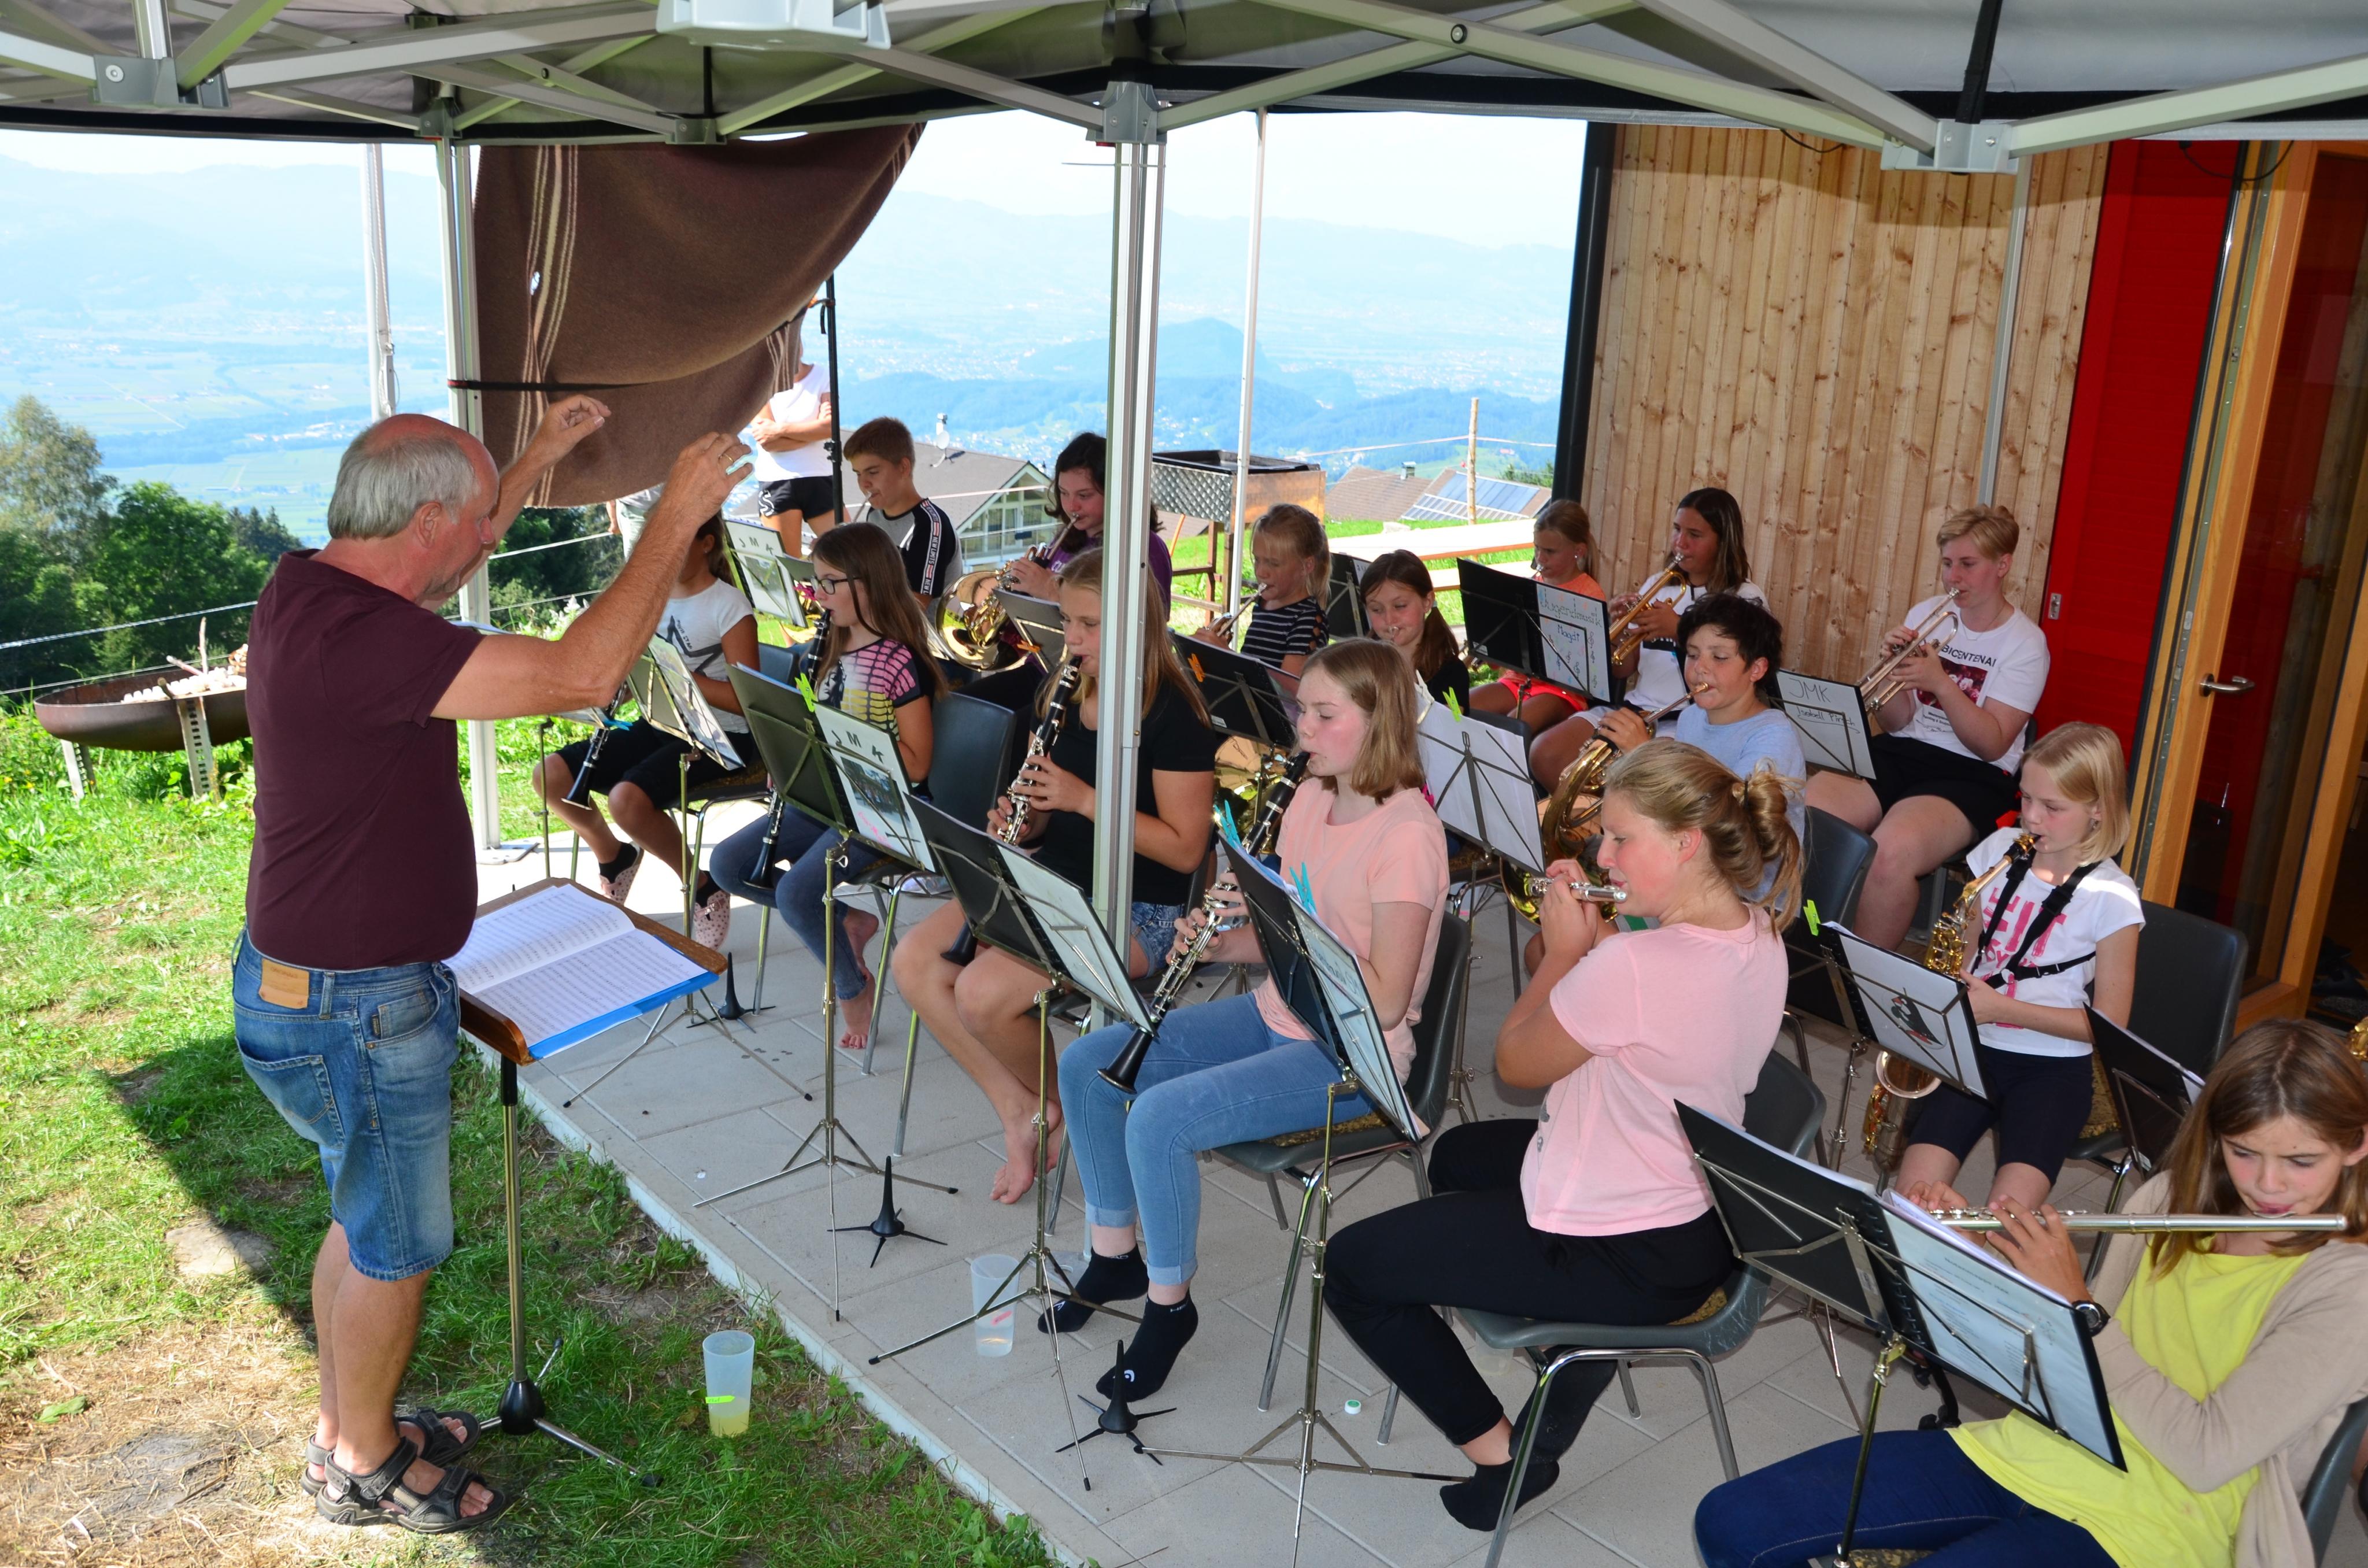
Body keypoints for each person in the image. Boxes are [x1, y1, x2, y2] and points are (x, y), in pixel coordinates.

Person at [233, 401, 744, 1533]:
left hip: (308, 980)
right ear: (423, 520)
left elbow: (453, 538)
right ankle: (364, 1465)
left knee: (361, 1216)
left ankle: (346, 1424)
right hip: (356, 1002)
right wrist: (673, 518)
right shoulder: (370, 643)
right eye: (476, 522)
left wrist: (534, 462)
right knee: (394, 1245)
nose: (488, 542)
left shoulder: (313, 589)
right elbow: (582, 674)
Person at [1322, 739, 1800, 1532]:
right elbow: (1623, 990)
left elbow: (1515, 1061)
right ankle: (1571, 1358)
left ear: (1686, 844)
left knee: (1352, 1268)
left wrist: (1567, 953)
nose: (1601, 854)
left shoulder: (1637, 967)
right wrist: (1583, 942)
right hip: (1697, 1213)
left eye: (1620, 838)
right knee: (1460, 1156)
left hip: (1629, 1246)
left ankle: (1506, 1457)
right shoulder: (1756, 930)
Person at [1697, 1018, 2368, 1568]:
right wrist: (1962, 1256)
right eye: (2244, 1152)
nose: (2268, 1186)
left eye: (2300, 1161)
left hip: (2161, 1527)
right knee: (1732, 1521)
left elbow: (2205, 1454)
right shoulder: (2170, 1198)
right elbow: (2059, 1361)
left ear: (2357, 1146)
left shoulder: (2347, 1287)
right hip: (2043, 1451)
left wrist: (2083, 1312)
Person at [1055, 639, 1451, 1401]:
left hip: (1354, 1055)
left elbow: (1385, 998)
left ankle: (1169, 1308)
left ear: (1380, 722)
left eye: (1325, 714)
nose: (1303, 728)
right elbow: (1279, 947)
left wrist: (1286, 931)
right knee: (1088, 1065)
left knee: (1160, 1119)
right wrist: (1214, 942)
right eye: (1302, 710)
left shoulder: (1407, 837)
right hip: (1284, 1011)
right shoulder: (1306, 798)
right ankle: (1113, 1257)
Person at [889, 550, 1216, 1204]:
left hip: (1141, 908)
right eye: (1068, 621)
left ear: (1135, 628)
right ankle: (1024, 1108)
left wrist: (1084, 799)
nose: (1074, 638)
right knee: (915, 961)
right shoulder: (1067, 692)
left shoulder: (1175, 715)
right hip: (1059, 879)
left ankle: (1077, 1109)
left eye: (1090, 625)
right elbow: (1048, 815)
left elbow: (1186, 852)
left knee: (981, 995)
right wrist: (1025, 819)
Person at [706, 523, 942, 1053]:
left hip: (881, 809)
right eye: (816, 582)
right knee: (728, 865)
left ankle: (853, 988)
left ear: (869, 583)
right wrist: (791, 756)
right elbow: (807, 721)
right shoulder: (826, 648)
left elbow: (918, 763)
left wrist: (847, 746)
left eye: (830, 583)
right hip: (827, 799)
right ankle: (848, 920)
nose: (818, 595)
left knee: (795, 893)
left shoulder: (900, 662)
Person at [1890, 722, 2144, 1214]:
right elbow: (1968, 949)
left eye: (2052, 807)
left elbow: (2109, 1026)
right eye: (2026, 798)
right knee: (1912, 1201)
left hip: (2052, 1071)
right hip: (1972, 1051)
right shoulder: (2000, 851)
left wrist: (2002, 1009)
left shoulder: (2113, 898)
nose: (2031, 817)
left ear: (2098, 809)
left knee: (2008, 1225)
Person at [1804, 504, 2050, 948]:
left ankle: (1860, 975)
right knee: (1804, 815)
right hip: (1904, 749)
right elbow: (1898, 720)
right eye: (1947, 563)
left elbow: (1992, 745)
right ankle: (1802, 942)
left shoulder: (2027, 644)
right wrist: (1892, 671)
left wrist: (1941, 683)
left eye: (1968, 564)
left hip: (1973, 773)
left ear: (2002, 565)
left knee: (1890, 855)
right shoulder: (1927, 613)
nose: (1953, 577)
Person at [531, 512, 757, 947]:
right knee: (550, 776)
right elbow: (640, 673)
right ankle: (614, 856)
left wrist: (682, 680)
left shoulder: (729, 606)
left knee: (627, 801)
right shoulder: (656, 599)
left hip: (720, 737)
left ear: (707, 543)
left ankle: (703, 886)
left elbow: (744, 700)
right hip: (661, 724)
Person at [1528, 486, 1764, 786]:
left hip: (1688, 720)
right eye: (1677, 530)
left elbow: (1743, 672)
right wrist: (1616, 632)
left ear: (1723, 542)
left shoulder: (1745, 597)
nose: (1680, 543)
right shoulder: (1659, 584)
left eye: (1694, 535)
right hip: (1634, 709)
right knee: (1545, 753)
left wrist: (1679, 630)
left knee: (1645, 780)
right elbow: (1623, 669)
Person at [1469, 500, 1602, 731]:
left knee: (1511, 727)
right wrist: (1494, 646)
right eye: (1537, 548)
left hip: (1562, 691)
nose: (1540, 558)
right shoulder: (1528, 587)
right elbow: (1503, 658)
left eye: (1549, 551)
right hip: (1519, 681)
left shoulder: (1589, 594)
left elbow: (1589, 667)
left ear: (1578, 552)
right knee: (1460, 709)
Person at [1000, 431, 1175, 605]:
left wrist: (1050, 591)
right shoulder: (1066, 540)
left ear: (1116, 493)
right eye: (1064, 493)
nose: (1071, 506)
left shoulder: (1144, 548)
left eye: (1084, 496)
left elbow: (1147, 617)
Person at [841, 416, 961, 604]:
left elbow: (916, 607)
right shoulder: (875, 516)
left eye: (873, 472)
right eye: (858, 474)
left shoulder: (930, 525)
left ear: (904, 468)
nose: (864, 484)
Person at [1206, 502, 1329, 675]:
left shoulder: (1308, 619)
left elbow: (1289, 686)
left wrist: (1226, 656)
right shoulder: (1263, 605)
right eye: (1258, 560)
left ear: (1306, 566)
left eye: (1274, 563)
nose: (1261, 572)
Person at [1360, 549, 1471, 714]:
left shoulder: (1451, 673)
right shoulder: (1361, 664)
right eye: (1377, 609)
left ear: (1427, 602)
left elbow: (1452, 723)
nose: (1389, 619)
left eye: (1400, 606)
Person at [746, 357, 838, 553]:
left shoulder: (822, 374)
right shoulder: (759, 380)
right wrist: (814, 433)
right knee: (787, 563)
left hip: (819, 476)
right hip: (777, 481)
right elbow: (768, 442)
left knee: (848, 553)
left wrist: (779, 429)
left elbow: (830, 428)